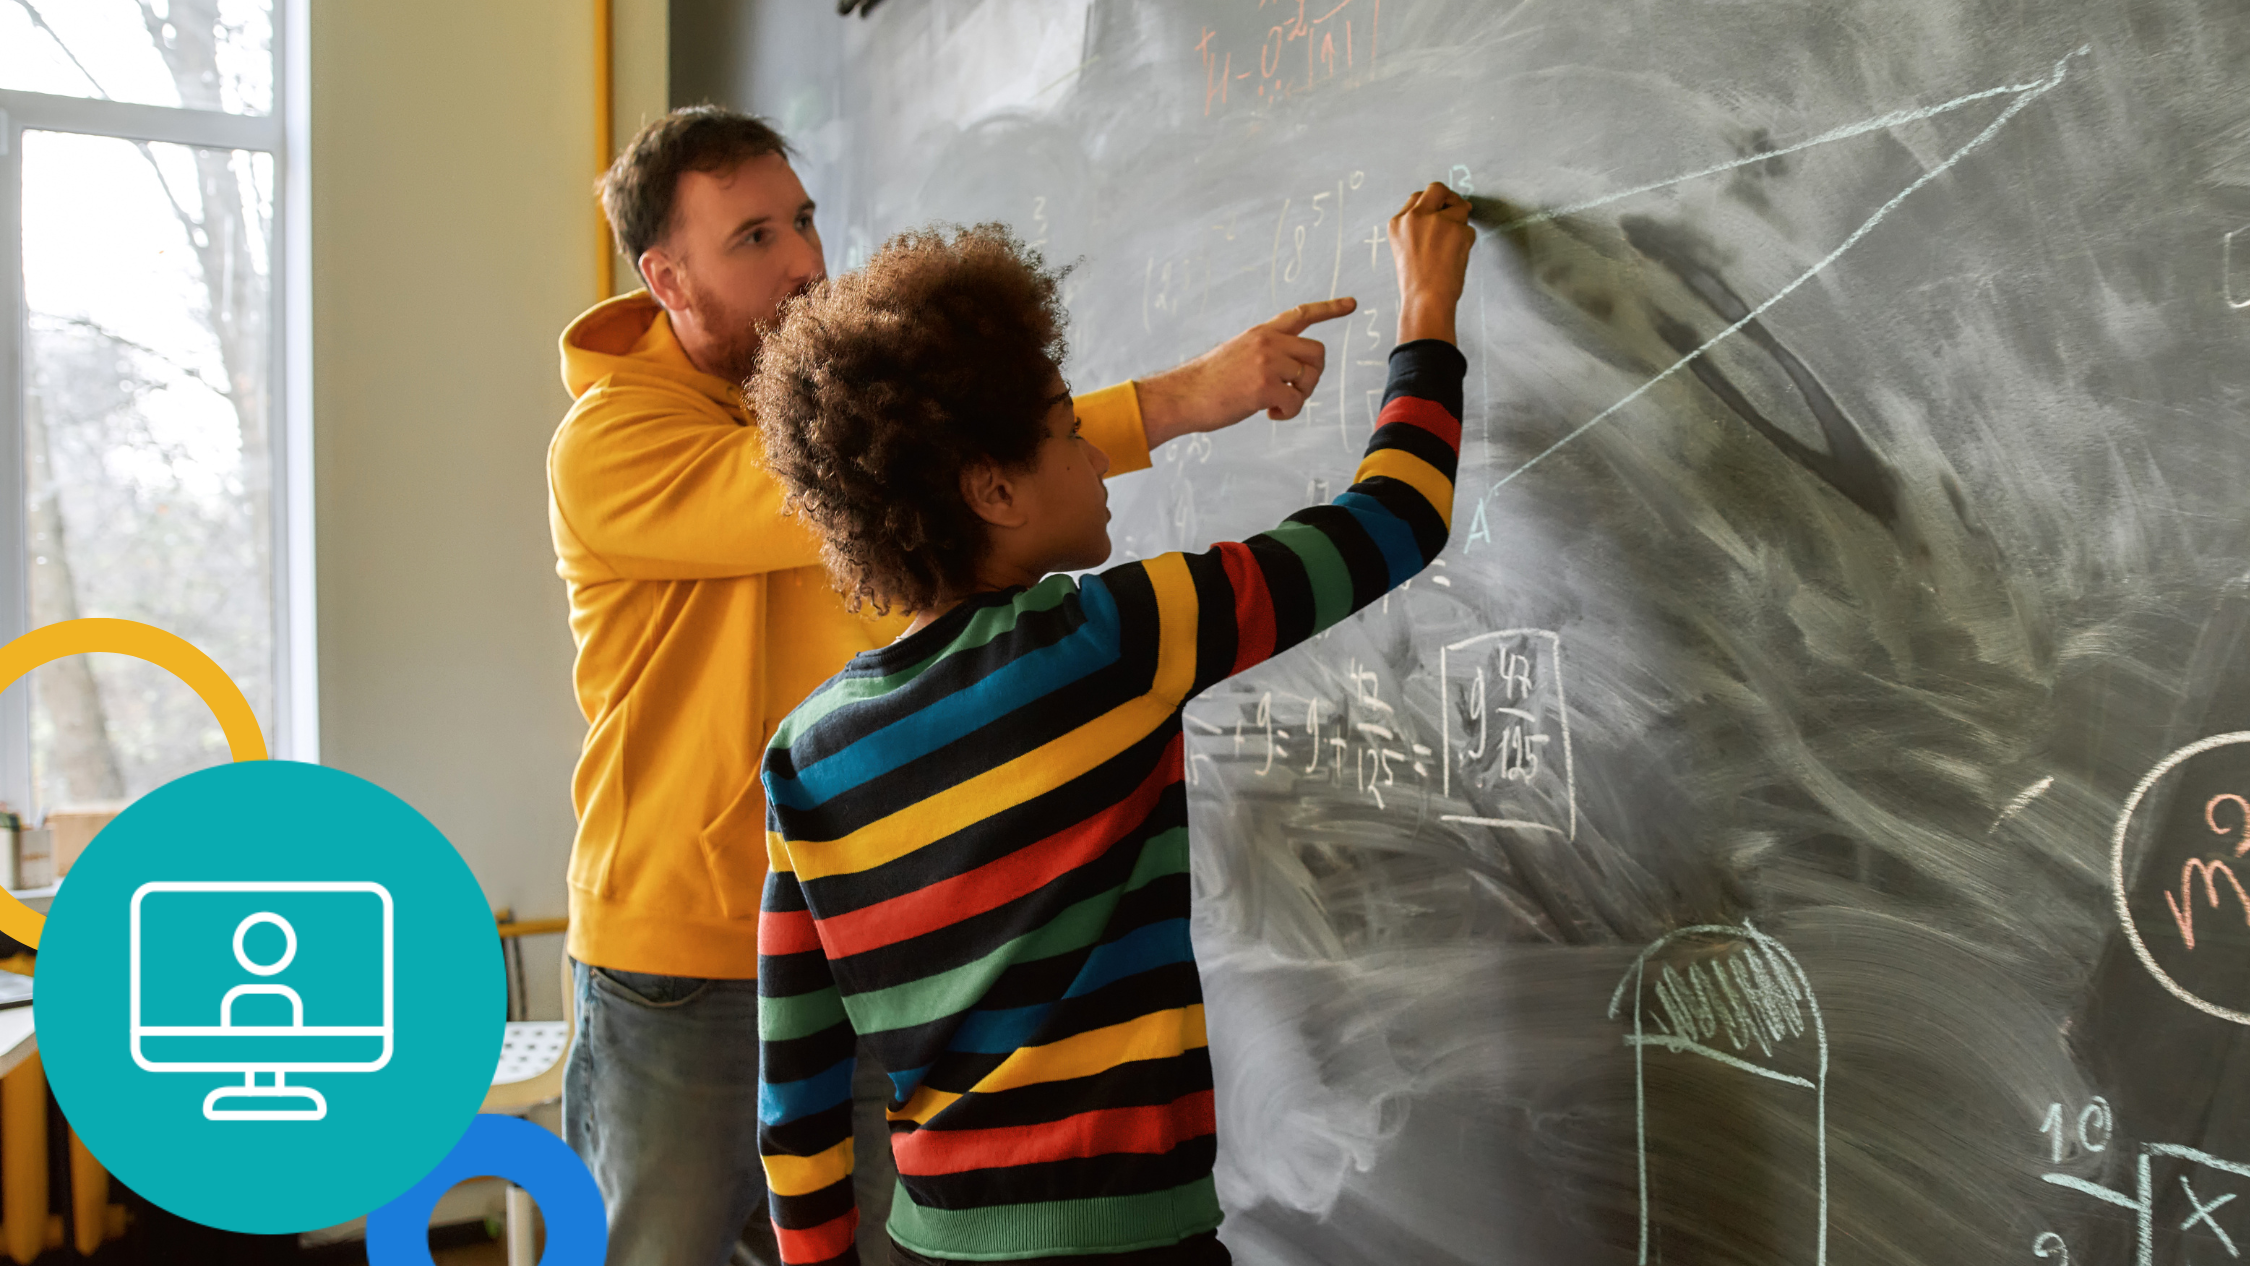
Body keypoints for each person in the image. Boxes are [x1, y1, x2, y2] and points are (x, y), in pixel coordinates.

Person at [549, 106, 1359, 1266]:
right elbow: (818, 483)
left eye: (806, 221)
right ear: (665, 274)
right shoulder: (608, 446)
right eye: (755, 238)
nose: (804, 262)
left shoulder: (833, 412)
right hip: (677, 962)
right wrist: (1180, 399)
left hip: (864, 941)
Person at [747, 182, 1474, 1264]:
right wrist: (1428, 310)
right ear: (993, 489)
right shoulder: (1105, 639)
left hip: (935, 1244)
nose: (1096, 457)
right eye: (1066, 431)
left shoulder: (805, 756)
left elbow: (797, 1095)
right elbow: (1395, 520)